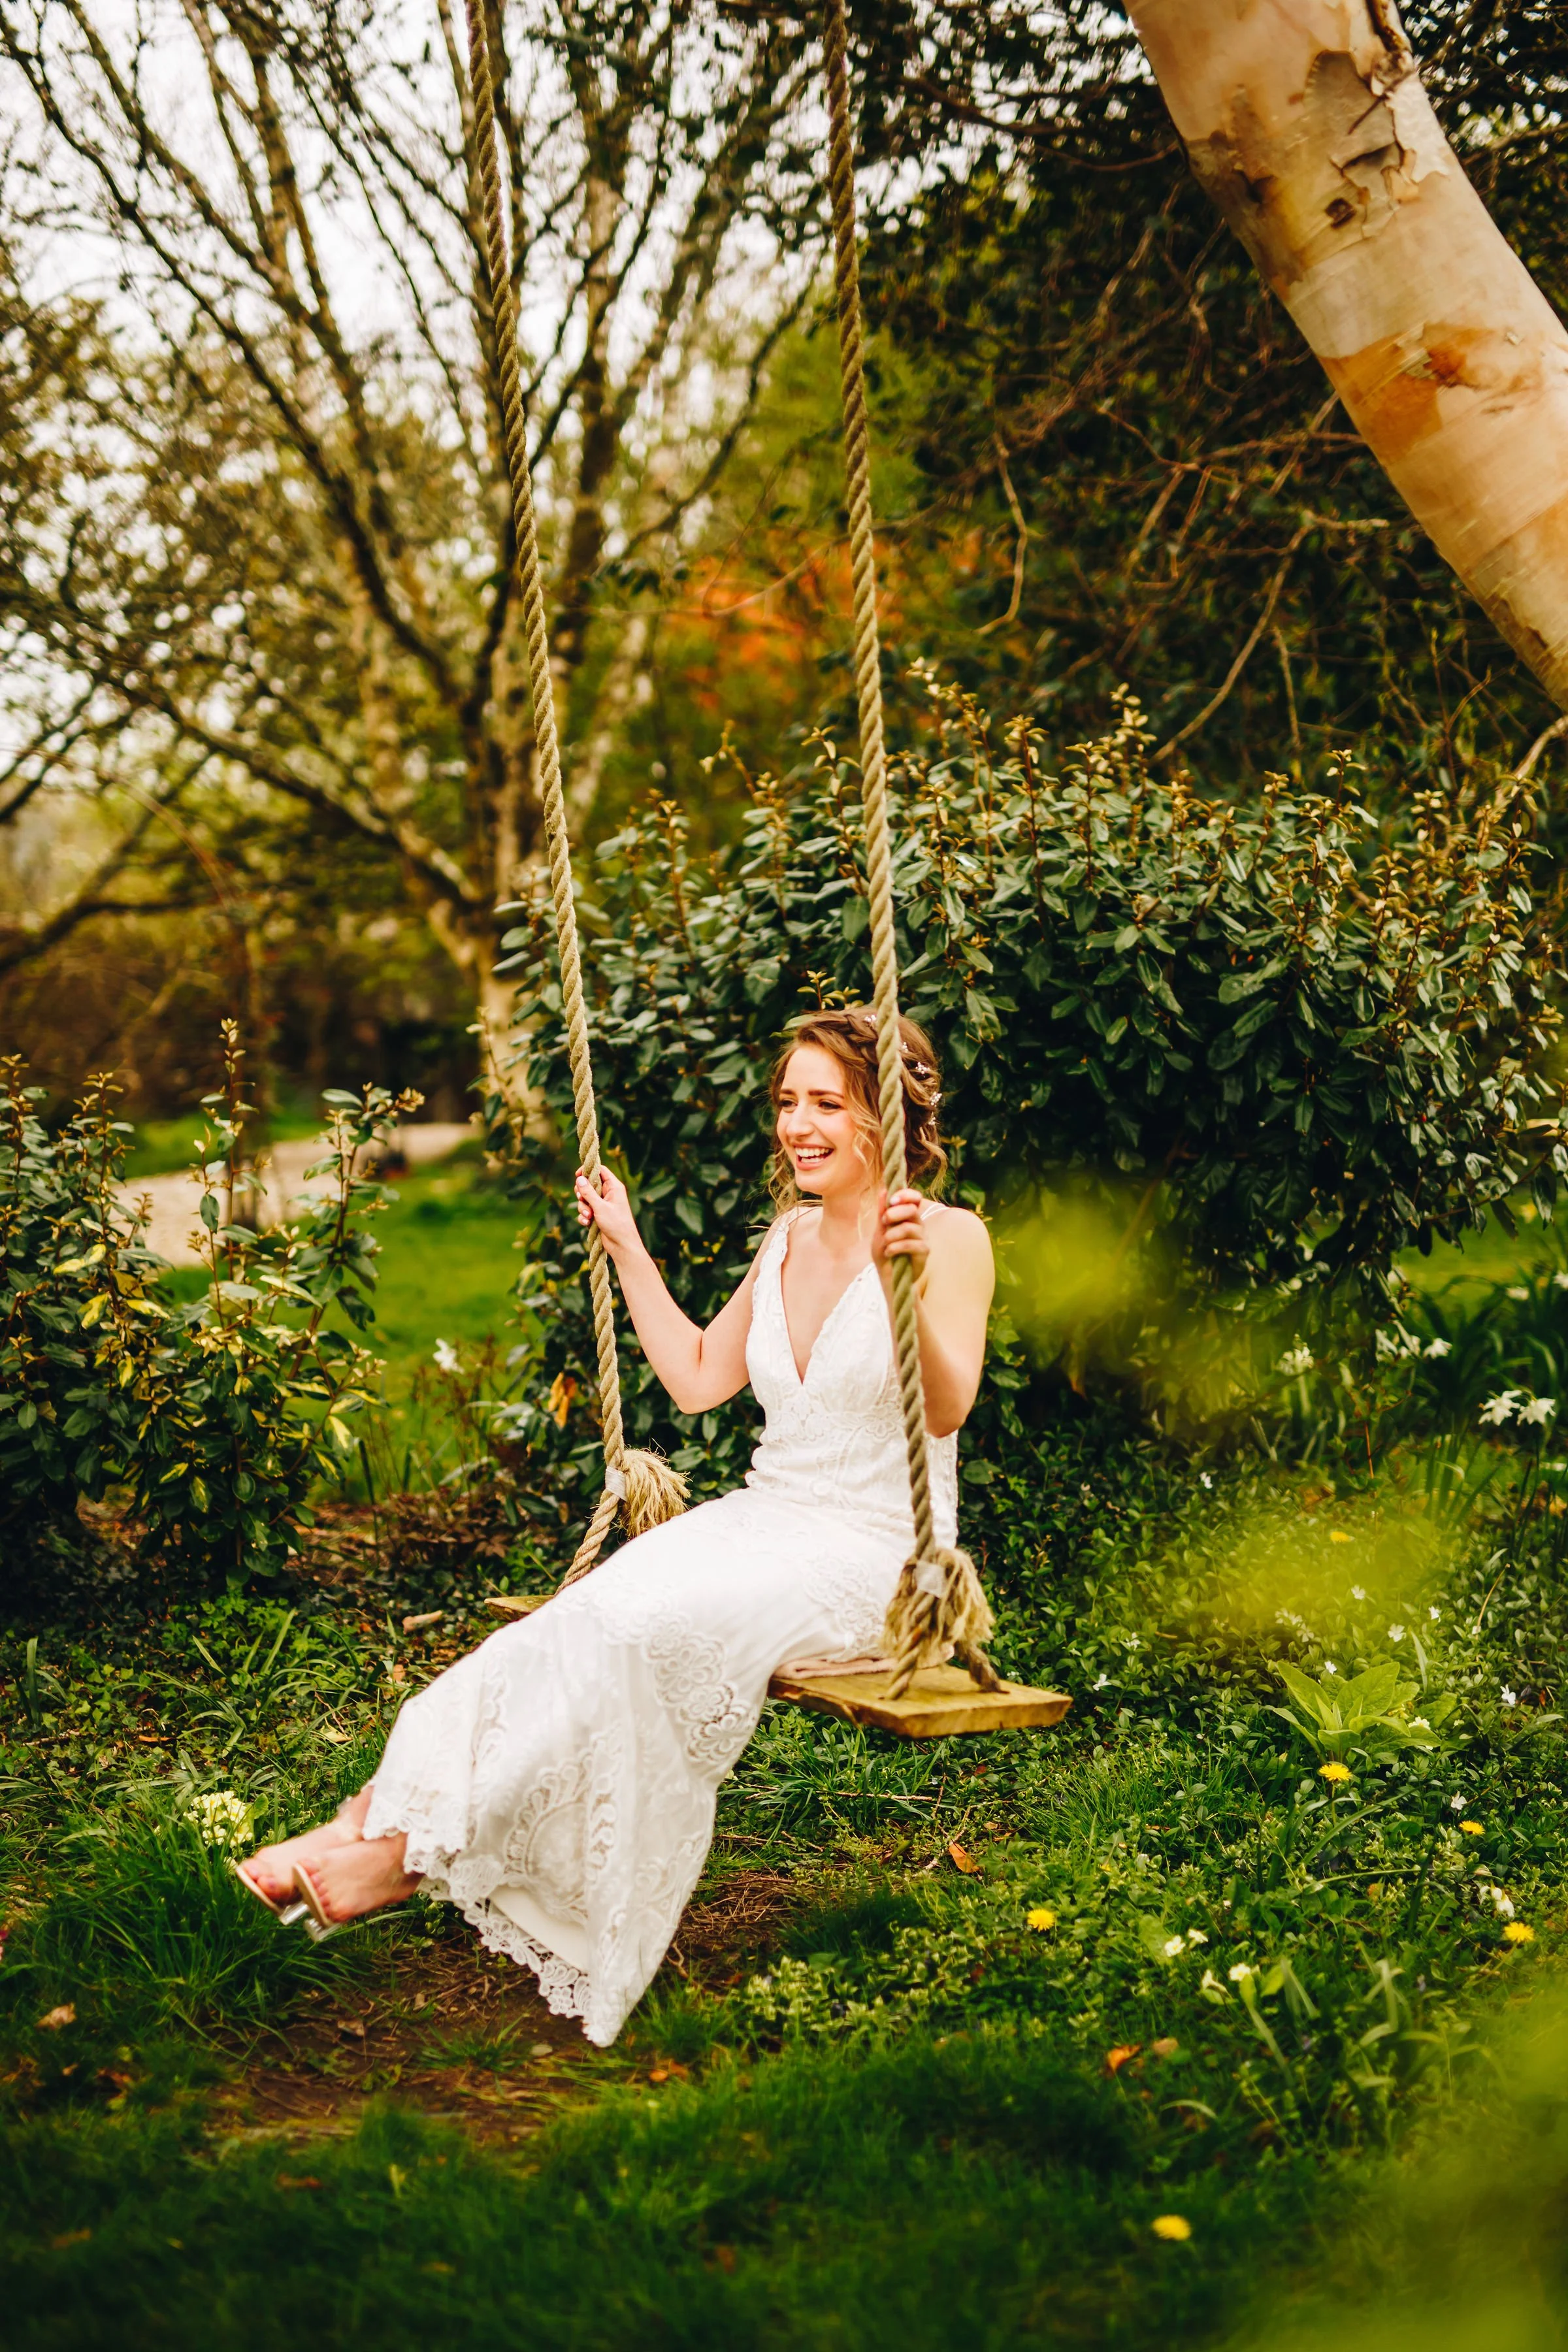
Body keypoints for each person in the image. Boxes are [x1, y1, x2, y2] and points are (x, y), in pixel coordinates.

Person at [239, 1007, 995, 2044]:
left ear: (893, 1114)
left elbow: (947, 1409)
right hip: (766, 1519)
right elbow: (695, 1381)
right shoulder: (787, 1238)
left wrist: (905, 1287)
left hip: (874, 1553)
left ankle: (400, 1861)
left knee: (644, 1633)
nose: (800, 1125)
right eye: (787, 1102)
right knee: (573, 1619)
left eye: (829, 1103)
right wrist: (630, 1246)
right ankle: (373, 1823)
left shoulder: (948, 1239)